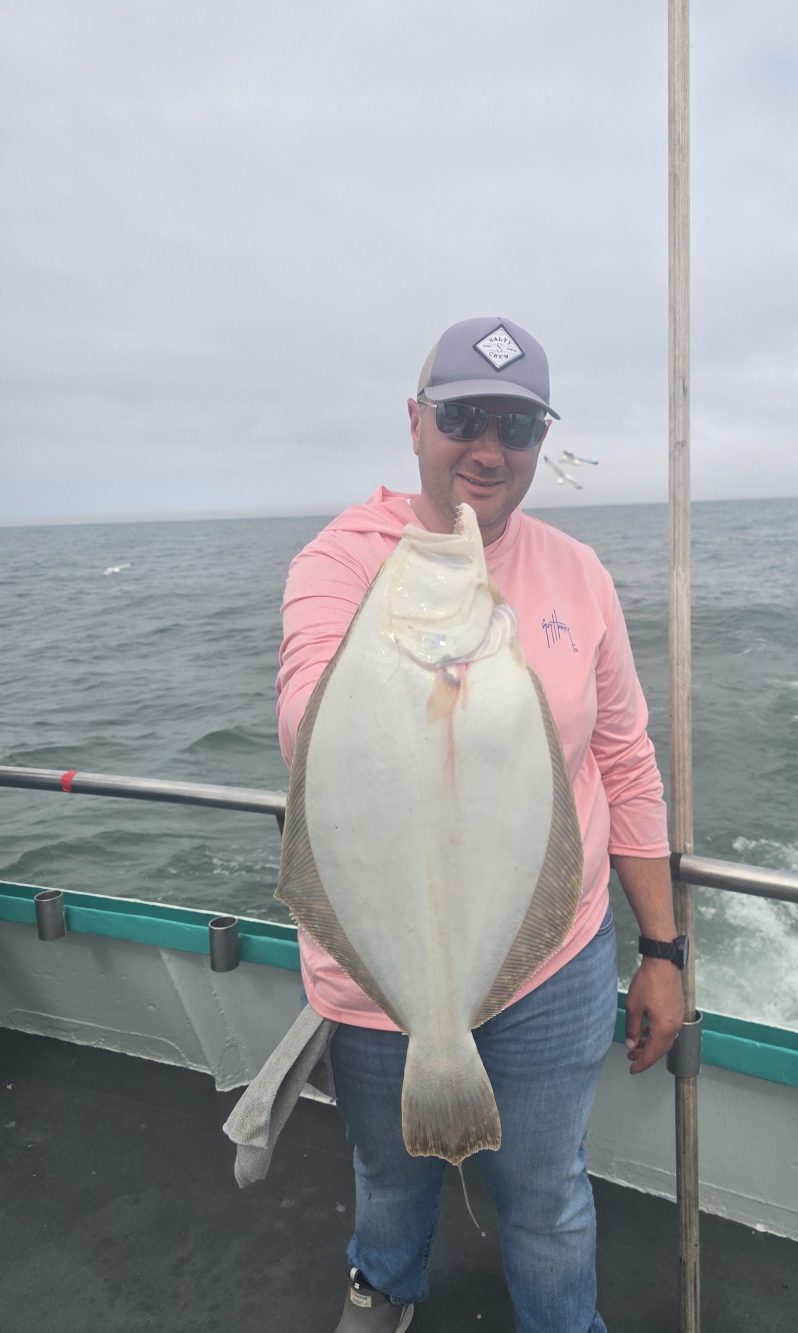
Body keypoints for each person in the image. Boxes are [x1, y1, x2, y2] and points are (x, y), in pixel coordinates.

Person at [275, 315, 685, 1332]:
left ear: (541, 442)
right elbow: (302, 725)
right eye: (462, 417)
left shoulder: (579, 572)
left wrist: (663, 947)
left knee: (546, 1190)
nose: (487, 448)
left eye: (516, 425)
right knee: (388, 1167)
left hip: (554, 952)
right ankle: (384, 1279)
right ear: (415, 422)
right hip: (385, 963)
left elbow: (626, 759)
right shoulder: (340, 561)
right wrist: (409, 645)